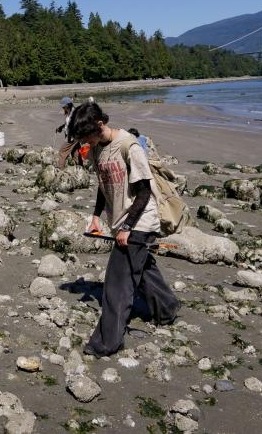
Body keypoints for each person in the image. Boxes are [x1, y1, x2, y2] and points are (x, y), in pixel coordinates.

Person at [69, 101, 179, 357]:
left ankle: (106, 342)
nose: (85, 141)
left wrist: (128, 227)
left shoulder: (129, 146)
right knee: (142, 270)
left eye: (86, 135)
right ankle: (167, 308)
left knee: (118, 284)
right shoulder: (97, 149)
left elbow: (143, 192)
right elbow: (103, 183)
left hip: (140, 220)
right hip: (120, 221)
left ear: (100, 124)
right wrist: (96, 216)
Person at [54, 96, 80, 167]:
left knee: (62, 152)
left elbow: (76, 125)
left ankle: (61, 169)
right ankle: (79, 167)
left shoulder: (74, 113)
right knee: (75, 152)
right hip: (70, 135)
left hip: (72, 136)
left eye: (63, 106)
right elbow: (67, 123)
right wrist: (61, 127)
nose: (62, 108)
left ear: (68, 105)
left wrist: (70, 138)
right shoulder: (68, 112)